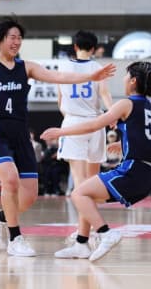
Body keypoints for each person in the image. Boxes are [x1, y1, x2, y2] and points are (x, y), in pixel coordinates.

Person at [0, 19, 115, 257]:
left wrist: (90, 76)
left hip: (20, 133)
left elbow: (58, 77)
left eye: (19, 38)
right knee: (10, 180)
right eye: (12, 37)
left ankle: (1, 218)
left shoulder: (26, 67)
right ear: (0, 40)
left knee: (29, 196)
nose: (16, 42)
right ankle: (15, 238)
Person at [41, 61, 151, 261]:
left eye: (126, 75)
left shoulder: (125, 103)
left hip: (133, 170)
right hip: (148, 175)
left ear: (133, 81)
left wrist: (61, 131)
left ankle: (105, 233)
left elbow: (95, 125)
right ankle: (81, 243)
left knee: (78, 194)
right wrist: (122, 146)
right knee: (87, 195)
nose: (123, 79)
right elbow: (149, 139)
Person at [56, 30, 113, 243]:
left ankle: (88, 234)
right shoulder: (98, 68)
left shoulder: (63, 67)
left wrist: (70, 117)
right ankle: (86, 232)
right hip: (97, 124)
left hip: (74, 123)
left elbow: (60, 102)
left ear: (75, 46)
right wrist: (113, 115)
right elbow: (106, 96)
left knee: (80, 185)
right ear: (94, 48)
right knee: (92, 183)